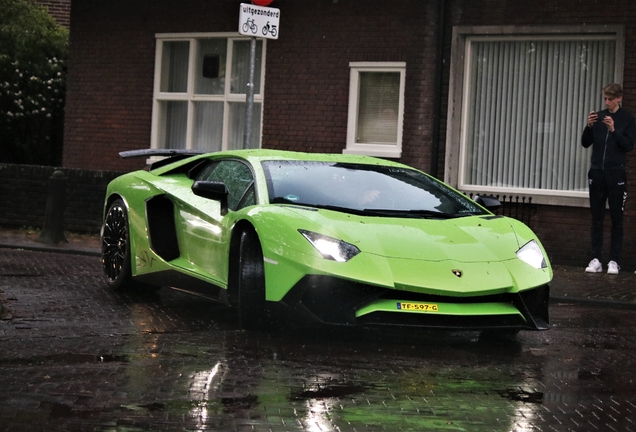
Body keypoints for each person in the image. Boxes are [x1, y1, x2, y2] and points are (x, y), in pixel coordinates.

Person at [581, 83, 636, 274]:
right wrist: (589, 126)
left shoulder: (628, 119)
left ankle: (614, 260)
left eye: (610, 99)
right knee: (596, 218)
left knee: (616, 218)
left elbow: (628, 145)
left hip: (616, 174)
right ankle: (596, 258)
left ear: (619, 98)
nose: (607, 102)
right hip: (597, 173)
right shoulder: (599, 117)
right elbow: (585, 143)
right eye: (605, 98)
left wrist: (614, 130)